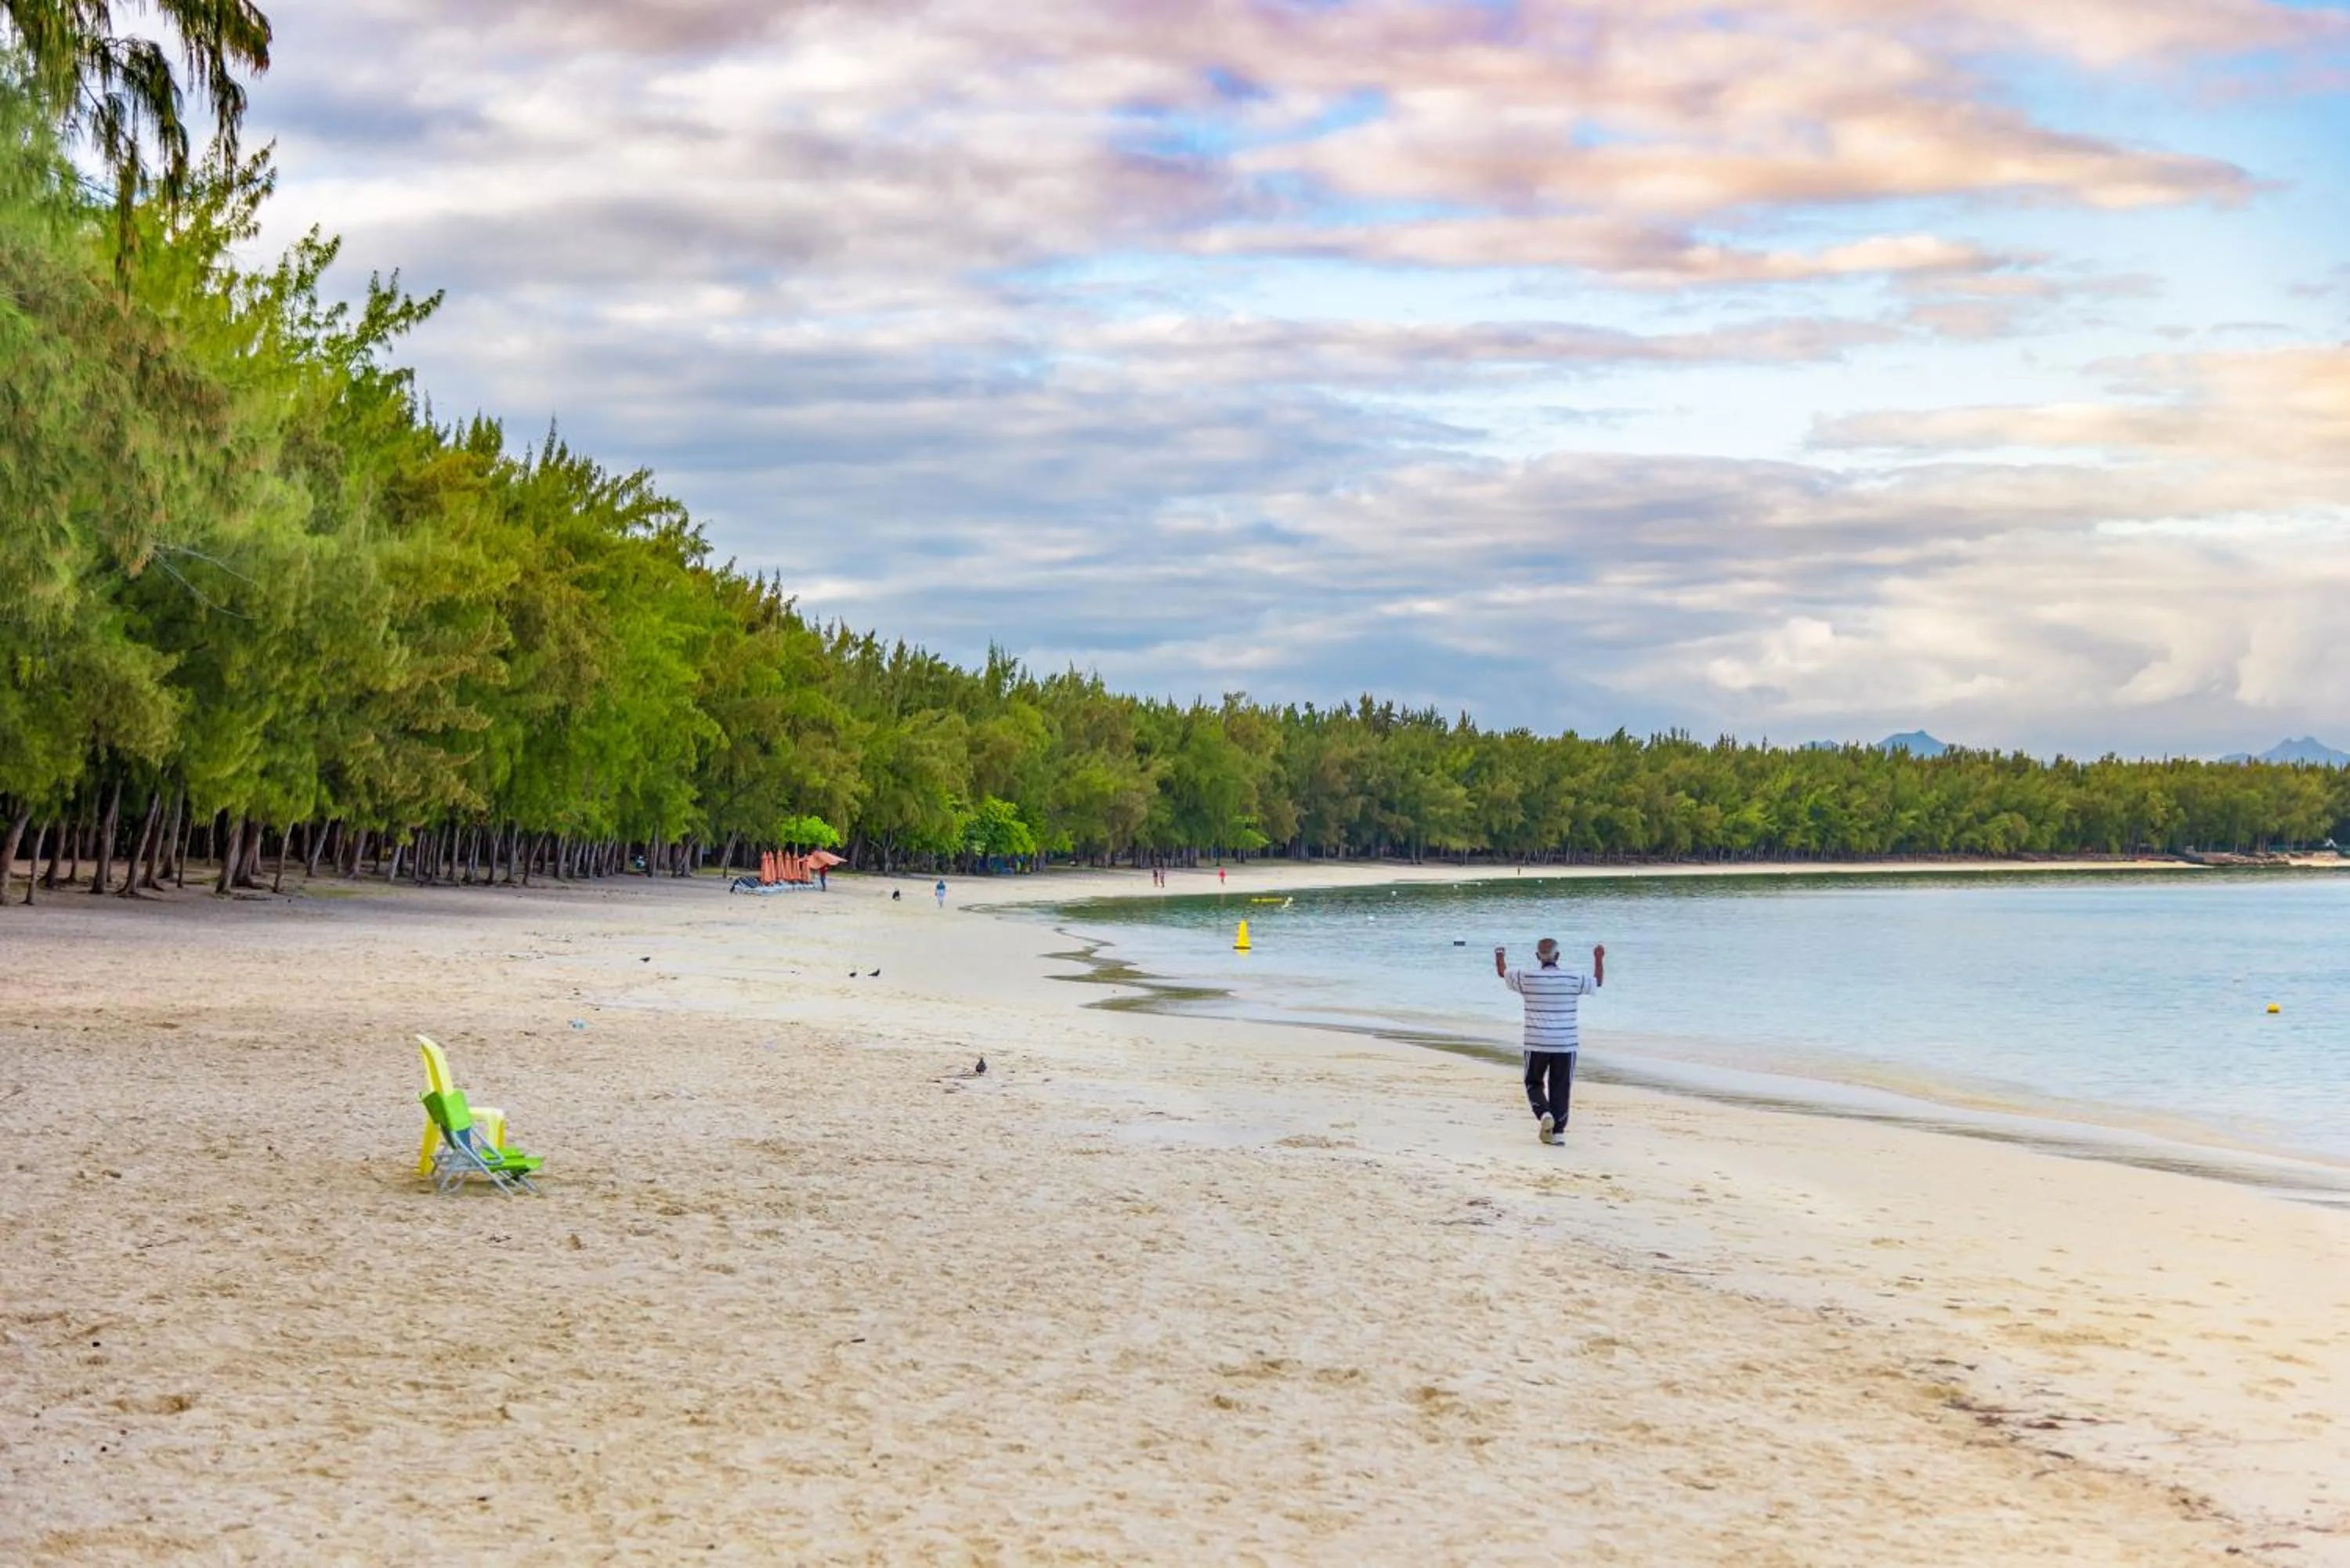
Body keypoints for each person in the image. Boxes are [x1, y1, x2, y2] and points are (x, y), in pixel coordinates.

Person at [1496, 937, 1603, 1145]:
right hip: (1565, 1043)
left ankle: (1544, 1113)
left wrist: (1499, 953)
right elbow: (1597, 981)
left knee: (1533, 1082)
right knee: (1561, 1086)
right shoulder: (1573, 978)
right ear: (1558, 956)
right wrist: (1598, 957)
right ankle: (1558, 1134)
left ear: (1538, 957)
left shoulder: (1527, 978)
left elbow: (1503, 972)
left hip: (1536, 1043)